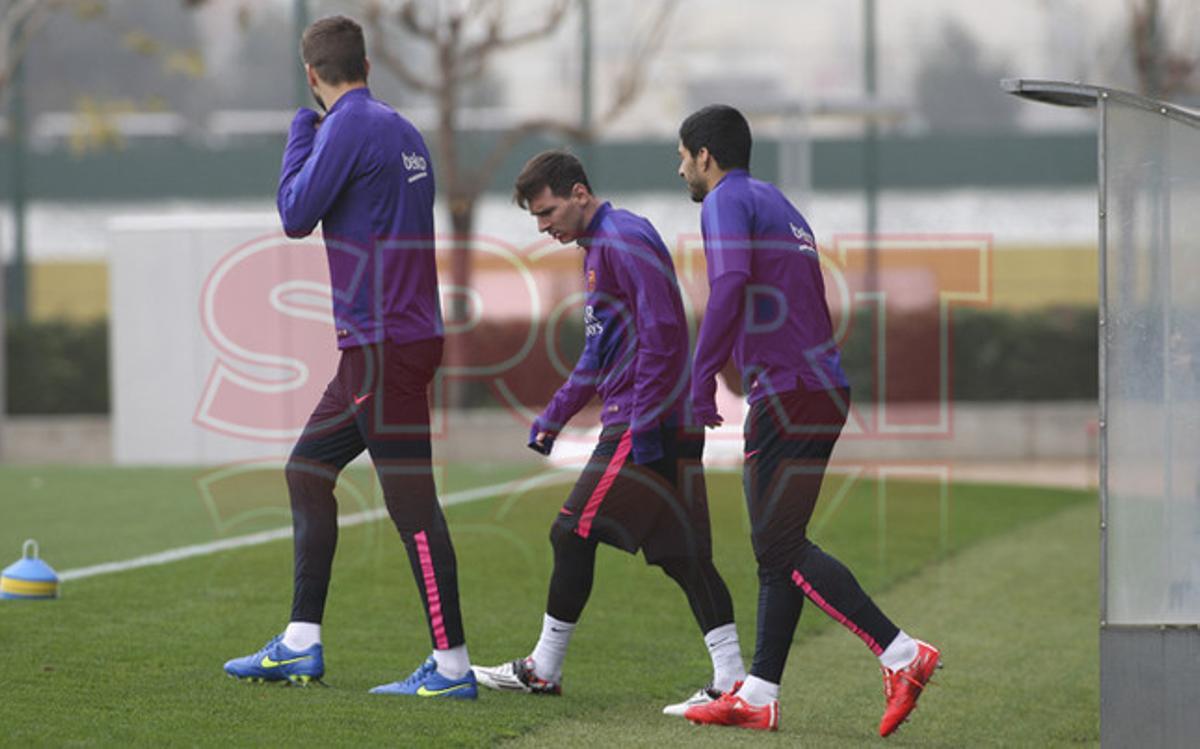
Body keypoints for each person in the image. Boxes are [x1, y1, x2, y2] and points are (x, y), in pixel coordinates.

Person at [222, 15, 477, 700]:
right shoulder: (402, 128)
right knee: (307, 469)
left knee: (412, 506)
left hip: (381, 343)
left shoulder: (342, 127)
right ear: (367, 62)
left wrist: (299, 132)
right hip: (399, 337)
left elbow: (295, 213)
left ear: (312, 75)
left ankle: (452, 667)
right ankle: (302, 641)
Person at [675, 105, 940, 735]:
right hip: (819, 387)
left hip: (790, 392)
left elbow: (730, 285)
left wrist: (700, 376)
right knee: (777, 548)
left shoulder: (724, 202)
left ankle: (902, 654)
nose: (680, 166)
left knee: (780, 545)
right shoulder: (778, 204)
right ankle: (760, 694)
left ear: (706, 156)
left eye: (683, 154)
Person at [471, 151, 746, 715]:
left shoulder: (621, 238)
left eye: (546, 212)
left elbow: (664, 333)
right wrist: (555, 414)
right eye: (536, 218)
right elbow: (601, 352)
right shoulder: (599, 248)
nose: (543, 226)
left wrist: (642, 426)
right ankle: (733, 679)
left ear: (578, 193)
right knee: (683, 555)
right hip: (663, 421)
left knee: (570, 534)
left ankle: (542, 669)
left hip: (646, 422)